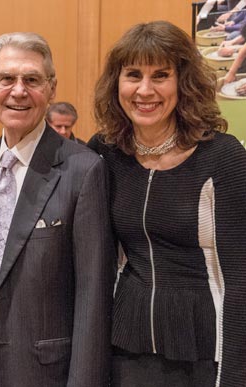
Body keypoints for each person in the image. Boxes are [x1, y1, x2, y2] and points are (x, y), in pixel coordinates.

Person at [89, 20, 246, 386]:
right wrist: (2, 145)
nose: (145, 90)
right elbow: (54, 172)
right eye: (133, 75)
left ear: (182, 82)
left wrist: (235, 376)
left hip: (204, 355)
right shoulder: (106, 151)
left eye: (160, 75)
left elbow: (240, 280)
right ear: (117, 84)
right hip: (126, 350)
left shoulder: (222, 158)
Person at [0, 32, 116, 387]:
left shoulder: (83, 170)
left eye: (32, 80)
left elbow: (94, 295)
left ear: (52, 88)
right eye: (6, 79)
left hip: (47, 371)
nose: (18, 91)